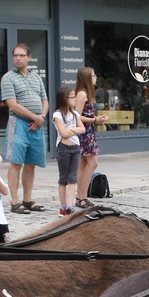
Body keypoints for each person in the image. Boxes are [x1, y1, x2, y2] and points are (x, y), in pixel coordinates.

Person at [0, 43, 48, 214]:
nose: (18, 58)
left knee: (31, 164)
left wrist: (41, 117)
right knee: (16, 162)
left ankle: (27, 200)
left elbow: (45, 100)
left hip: (36, 125)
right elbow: (12, 105)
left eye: (21, 55)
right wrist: (34, 117)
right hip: (18, 123)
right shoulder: (8, 78)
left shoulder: (36, 77)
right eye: (15, 56)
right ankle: (15, 201)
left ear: (29, 57)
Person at [50, 87, 84, 215]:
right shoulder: (57, 114)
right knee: (63, 178)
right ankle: (63, 206)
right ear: (65, 99)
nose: (75, 99)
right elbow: (62, 132)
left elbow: (82, 129)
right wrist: (74, 129)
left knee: (72, 178)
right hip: (63, 148)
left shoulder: (75, 114)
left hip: (75, 148)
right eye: (72, 97)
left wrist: (71, 130)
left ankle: (69, 206)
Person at [74, 65, 101, 208]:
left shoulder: (86, 94)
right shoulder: (82, 94)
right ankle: (82, 196)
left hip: (88, 131)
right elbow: (76, 116)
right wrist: (95, 120)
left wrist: (96, 118)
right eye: (93, 75)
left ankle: (81, 197)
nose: (95, 78)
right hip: (84, 133)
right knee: (93, 163)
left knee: (84, 164)